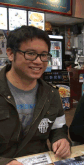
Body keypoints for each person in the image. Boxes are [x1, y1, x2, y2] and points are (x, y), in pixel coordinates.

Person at [0, 26, 71, 165]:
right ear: (10, 53)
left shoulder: (52, 94)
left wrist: (61, 140)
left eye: (44, 55)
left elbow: (58, 127)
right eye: (31, 53)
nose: (39, 61)